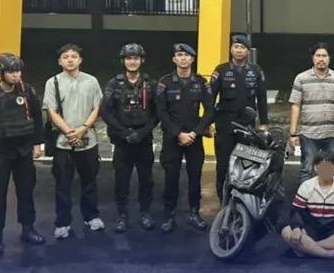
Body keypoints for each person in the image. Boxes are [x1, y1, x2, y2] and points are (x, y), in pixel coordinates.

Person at [0, 53, 46, 255]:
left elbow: (37, 117)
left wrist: (37, 143)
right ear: (0, 73)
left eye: (18, 71)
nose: (16, 75)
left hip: (23, 151)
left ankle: (28, 228)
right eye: (11, 71)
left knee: (26, 192)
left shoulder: (28, 91)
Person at [44, 44, 105, 240]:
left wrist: (83, 128)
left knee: (89, 182)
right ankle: (62, 223)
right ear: (59, 61)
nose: (70, 60)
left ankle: (91, 216)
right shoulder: (52, 82)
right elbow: (51, 111)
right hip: (63, 143)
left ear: (80, 60)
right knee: (63, 185)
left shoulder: (91, 81)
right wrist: (70, 132)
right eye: (65, 57)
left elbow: (97, 108)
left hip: (88, 140)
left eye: (74, 56)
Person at [156, 43, 215, 233]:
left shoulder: (201, 82)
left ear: (192, 59)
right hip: (172, 137)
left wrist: (195, 133)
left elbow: (209, 110)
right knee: (171, 178)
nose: (183, 58)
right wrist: (178, 134)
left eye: (186, 55)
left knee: (195, 178)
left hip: (194, 137)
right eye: (179, 55)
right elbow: (161, 111)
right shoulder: (165, 82)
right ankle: (168, 215)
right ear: (174, 59)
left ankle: (194, 213)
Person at [100, 43, 159, 233]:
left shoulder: (151, 84)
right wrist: (124, 133)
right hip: (122, 141)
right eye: (128, 58)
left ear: (142, 61)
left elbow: (157, 113)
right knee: (121, 181)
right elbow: (106, 112)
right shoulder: (114, 84)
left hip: (144, 140)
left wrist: (142, 133)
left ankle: (145, 213)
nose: (132, 62)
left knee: (147, 180)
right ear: (123, 61)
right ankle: (122, 215)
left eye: (135, 58)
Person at [210, 34, 269, 202]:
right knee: (223, 165)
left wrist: (264, 123)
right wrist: (208, 123)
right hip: (225, 125)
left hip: (247, 126)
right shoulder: (221, 71)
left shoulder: (256, 71)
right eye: (236, 47)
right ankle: (223, 199)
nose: (239, 50)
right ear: (231, 49)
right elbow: (210, 98)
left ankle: (242, 200)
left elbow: (262, 98)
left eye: (242, 47)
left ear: (248, 51)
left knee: (245, 164)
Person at [280, 150, 334, 261]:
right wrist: (297, 227)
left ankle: (308, 248)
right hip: (310, 227)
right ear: (316, 168)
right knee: (286, 232)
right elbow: (296, 211)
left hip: (333, 228)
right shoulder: (306, 186)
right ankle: (326, 254)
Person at [288, 42, 334, 184]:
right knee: (306, 168)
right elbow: (296, 105)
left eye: (324, 56)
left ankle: (332, 197)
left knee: (332, 169)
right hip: (309, 133)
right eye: (318, 56)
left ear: (329, 58)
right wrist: (293, 133)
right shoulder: (301, 78)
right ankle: (303, 197)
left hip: (332, 132)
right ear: (312, 58)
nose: (321, 59)